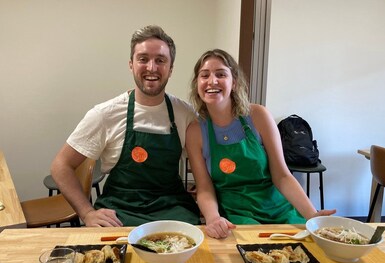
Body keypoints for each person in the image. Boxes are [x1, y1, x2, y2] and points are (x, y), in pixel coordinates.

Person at [51, 25, 201, 227]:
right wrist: (87, 213)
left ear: (170, 68)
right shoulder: (105, 114)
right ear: (131, 64)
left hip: (172, 208)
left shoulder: (186, 114)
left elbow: (207, 165)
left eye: (160, 60)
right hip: (121, 210)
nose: (151, 67)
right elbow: (61, 166)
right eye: (143, 59)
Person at [186, 49, 336, 238]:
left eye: (221, 74)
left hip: (278, 208)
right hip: (237, 215)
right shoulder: (195, 131)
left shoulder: (258, 116)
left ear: (234, 83)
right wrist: (213, 218)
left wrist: (312, 216)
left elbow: (282, 176)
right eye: (204, 75)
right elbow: (204, 187)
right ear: (197, 84)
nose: (212, 81)